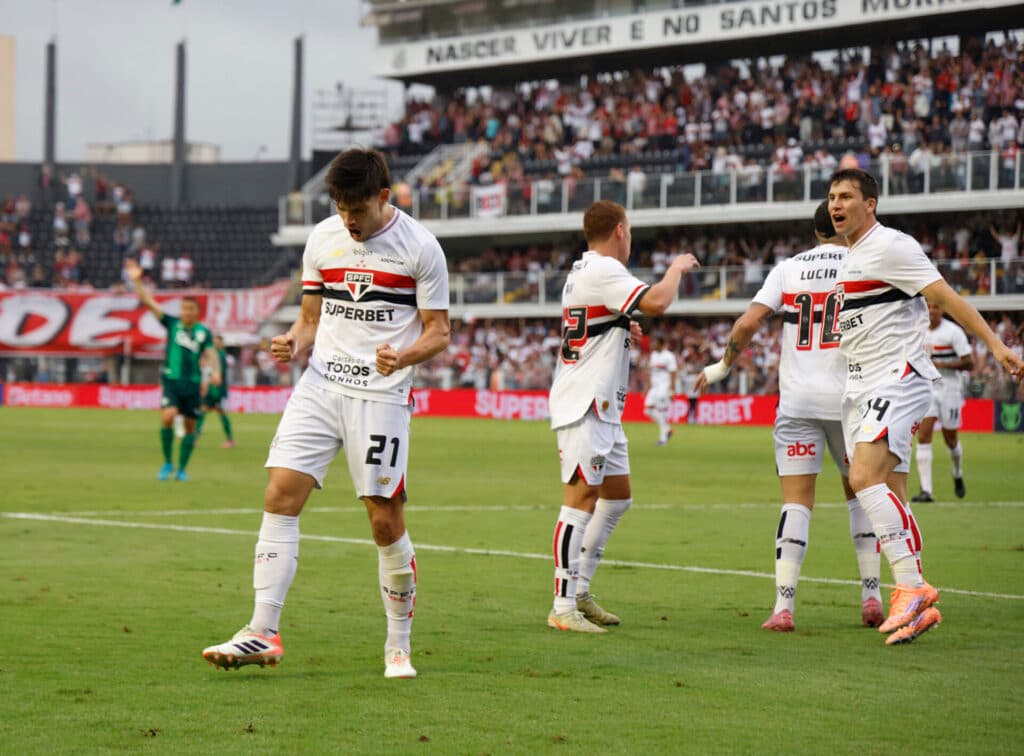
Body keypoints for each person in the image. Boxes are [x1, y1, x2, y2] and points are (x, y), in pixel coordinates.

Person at [201, 148, 450, 678]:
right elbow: (311, 318)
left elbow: (439, 332)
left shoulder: (421, 249)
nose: (348, 221)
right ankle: (262, 631)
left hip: (381, 395)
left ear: (384, 198)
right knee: (279, 494)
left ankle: (398, 645)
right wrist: (293, 340)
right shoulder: (323, 239)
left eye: (357, 209)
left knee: (384, 520)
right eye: (340, 209)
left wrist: (401, 357)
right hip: (320, 384)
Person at [828, 168, 1024, 646]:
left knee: (861, 480)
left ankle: (913, 589)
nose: (837, 204)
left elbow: (946, 297)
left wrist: (995, 346)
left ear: (870, 203)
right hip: (861, 386)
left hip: (898, 378)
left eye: (847, 196)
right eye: (832, 197)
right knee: (890, 490)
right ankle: (914, 600)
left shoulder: (892, 245)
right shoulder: (849, 257)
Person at [696, 200, 883, 632]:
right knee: (860, 494)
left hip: (797, 401)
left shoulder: (789, 268)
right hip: (850, 398)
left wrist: (723, 366)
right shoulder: (864, 263)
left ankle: (783, 607)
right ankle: (872, 596)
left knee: (796, 501)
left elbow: (747, 323)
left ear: (814, 232)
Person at [547, 200, 699, 633]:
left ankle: (579, 590)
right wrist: (675, 269)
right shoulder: (602, 270)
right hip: (586, 402)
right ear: (618, 230)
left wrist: (619, 326)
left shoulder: (583, 271)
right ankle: (562, 606)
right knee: (578, 502)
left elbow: (591, 323)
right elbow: (659, 302)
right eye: (629, 231)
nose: (630, 239)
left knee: (617, 497)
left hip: (604, 407)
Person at [126, 258, 220, 482]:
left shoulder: (203, 332)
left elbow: (211, 354)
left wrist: (216, 372)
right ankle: (167, 462)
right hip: (172, 381)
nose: (186, 312)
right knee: (167, 417)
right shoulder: (172, 324)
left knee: (189, 427)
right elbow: (149, 303)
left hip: (193, 384)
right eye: (183, 308)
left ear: (197, 312)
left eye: (190, 309)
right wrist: (138, 283)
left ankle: (182, 469)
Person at [912, 302, 973, 502]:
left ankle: (957, 473)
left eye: (936, 307)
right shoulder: (917, 329)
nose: (931, 311)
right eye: (928, 307)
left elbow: (969, 362)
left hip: (950, 389)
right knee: (923, 436)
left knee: (950, 439)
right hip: (927, 388)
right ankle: (926, 491)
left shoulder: (953, 332)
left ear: (943, 310)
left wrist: (942, 364)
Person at [197, 334, 235, 448]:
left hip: (219, 391)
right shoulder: (211, 355)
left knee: (222, 414)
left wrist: (208, 378)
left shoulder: (221, 356)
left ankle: (230, 440)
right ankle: (194, 439)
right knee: (201, 412)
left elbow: (218, 376)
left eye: (217, 342)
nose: (215, 344)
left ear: (222, 343)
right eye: (214, 342)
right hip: (210, 391)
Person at [644, 337, 678, 446]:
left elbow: (673, 372)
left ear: (662, 344)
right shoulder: (653, 355)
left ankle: (663, 439)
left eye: (656, 342)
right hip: (654, 388)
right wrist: (647, 387)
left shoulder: (669, 356)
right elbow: (650, 372)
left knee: (662, 412)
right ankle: (668, 429)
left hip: (664, 387)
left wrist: (672, 389)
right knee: (648, 410)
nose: (653, 344)